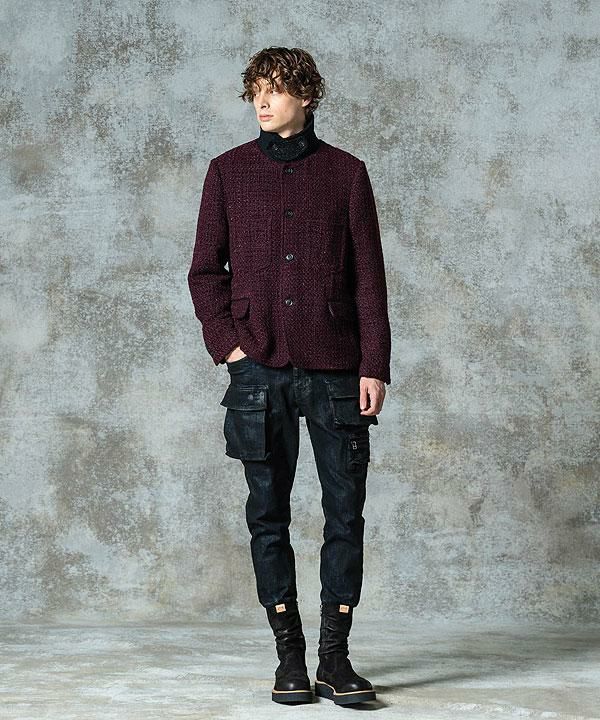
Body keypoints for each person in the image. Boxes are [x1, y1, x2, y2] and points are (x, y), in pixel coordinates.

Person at [187, 46, 391, 706]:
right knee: (267, 516)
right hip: (259, 369)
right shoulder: (227, 172)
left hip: (337, 369)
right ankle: (290, 659)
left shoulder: (347, 174)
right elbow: (204, 272)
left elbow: (369, 281)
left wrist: (374, 365)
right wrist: (229, 348)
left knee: (345, 515)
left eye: (275, 89)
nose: (263, 101)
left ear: (307, 96)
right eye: (255, 90)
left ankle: (336, 657)